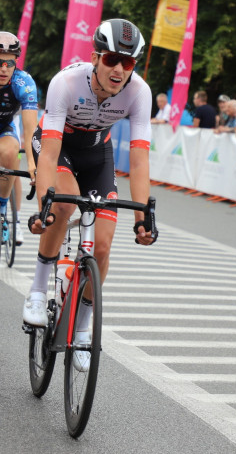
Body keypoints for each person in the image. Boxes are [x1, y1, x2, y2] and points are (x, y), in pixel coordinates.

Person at [23, 19, 157, 371]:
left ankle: (83, 328)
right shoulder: (65, 83)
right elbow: (49, 154)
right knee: (64, 202)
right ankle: (38, 290)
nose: (118, 69)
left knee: (102, 246)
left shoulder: (139, 93)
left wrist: (143, 217)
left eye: (127, 63)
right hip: (58, 146)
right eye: (112, 59)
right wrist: (44, 207)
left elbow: (140, 161)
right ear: (96, 56)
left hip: (98, 154)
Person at [0, 31, 39, 247]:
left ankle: (2, 210)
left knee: (12, 151)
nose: (4, 69)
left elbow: (30, 130)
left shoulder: (24, 82)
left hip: (2, 129)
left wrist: (33, 164)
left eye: (10, 63)